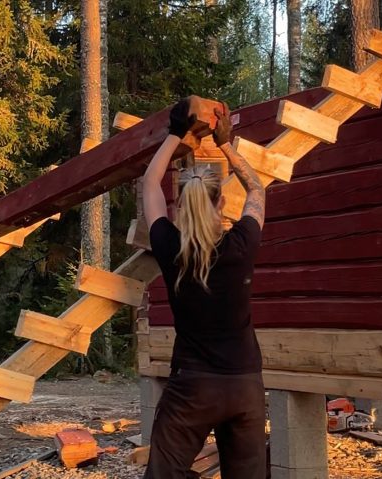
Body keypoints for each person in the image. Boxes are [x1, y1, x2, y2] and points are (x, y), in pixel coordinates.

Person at [141, 98, 267, 479]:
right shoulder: (242, 244)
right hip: (244, 386)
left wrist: (175, 134)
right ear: (221, 201)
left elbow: (149, 184)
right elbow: (257, 189)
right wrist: (227, 144)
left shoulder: (170, 248)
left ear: (180, 207)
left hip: (192, 388)